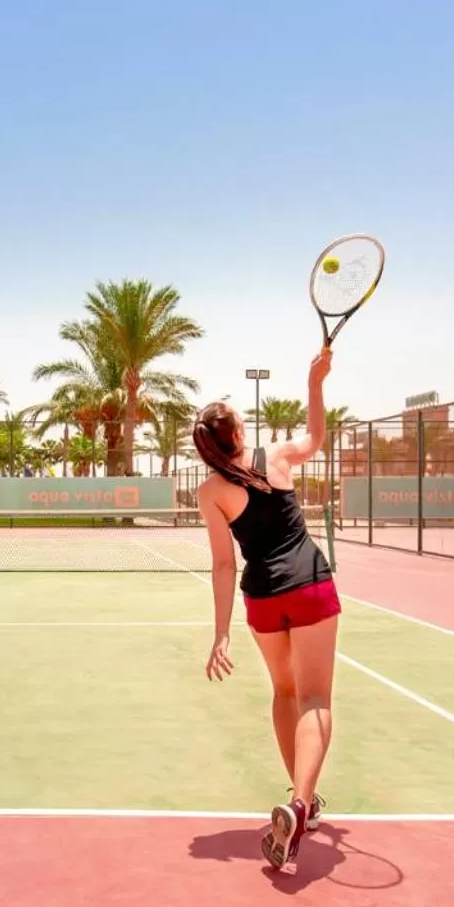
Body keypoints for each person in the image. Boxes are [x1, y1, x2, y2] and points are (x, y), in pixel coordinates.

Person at [196, 347, 338, 873]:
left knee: (283, 692)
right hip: (308, 584)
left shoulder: (210, 492)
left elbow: (223, 566)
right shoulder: (274, 456)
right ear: (236, 430)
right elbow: (317, 438)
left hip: (262, 598)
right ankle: (300, 805)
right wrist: (315, 383)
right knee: (316, 696)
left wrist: (221, 634)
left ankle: (304, 804)